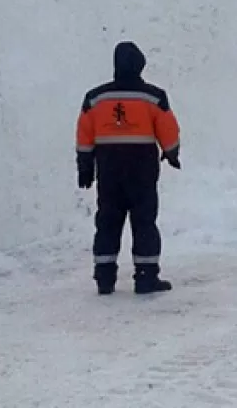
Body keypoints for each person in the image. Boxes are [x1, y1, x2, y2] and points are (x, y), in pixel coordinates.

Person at [76, 41, 181, 295]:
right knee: (144, 221)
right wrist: (171, 152)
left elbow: (84, 134)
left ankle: (104, 278)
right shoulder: (154, 97)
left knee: (108, 221)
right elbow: (168, 129)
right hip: (141, 170)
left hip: (109, 171)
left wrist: (85, 166)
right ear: (140, 65)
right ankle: (146, 278)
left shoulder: (95, 98)